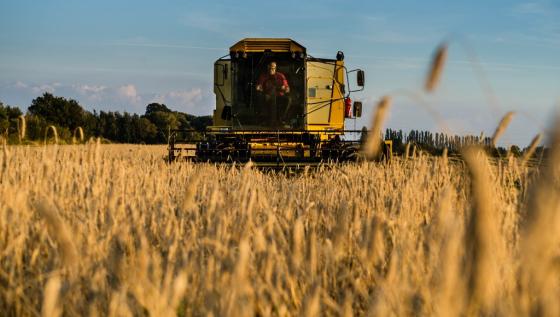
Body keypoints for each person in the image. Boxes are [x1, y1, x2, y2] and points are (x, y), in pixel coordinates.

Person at [255, 62, 290, 126]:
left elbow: (287, 87)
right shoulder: (263, 76)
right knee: (264, 98)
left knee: (288, 99)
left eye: (273, 68)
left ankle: (281, 118)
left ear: (275, 68)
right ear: (268, 67)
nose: (271, 69)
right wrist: (258, 87)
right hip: (268, 94)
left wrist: (286, 88)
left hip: (279, 95)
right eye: (270, 68)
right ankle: (265, 119)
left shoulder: (281, 76)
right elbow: (259, 86)